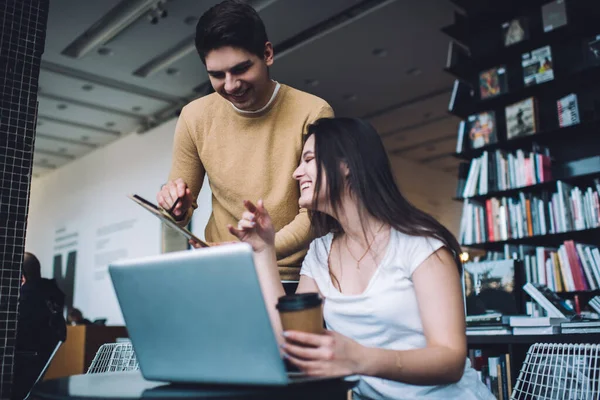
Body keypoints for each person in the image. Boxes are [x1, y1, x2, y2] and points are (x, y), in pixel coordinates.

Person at [227, 118, 495, 399]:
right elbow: (289, 338)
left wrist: (361, 358)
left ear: (347, 164)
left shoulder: (420, 243)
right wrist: (263, 251)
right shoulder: (320, 253)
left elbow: (450, 361)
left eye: (308, 159)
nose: (297, 173)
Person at [156, 0, 333, 281]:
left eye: (240, 69)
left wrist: (253, 248)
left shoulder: (313, 112)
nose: (230, 85)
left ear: (267, 53)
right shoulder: (194, 117)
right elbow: (177, 215)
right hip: (223, 271)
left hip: (293, 277)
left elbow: (318, 213)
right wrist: (175, 206)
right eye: (216, 75)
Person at [13, 252, 67, 400]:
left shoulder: (21, 300)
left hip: (17, 373)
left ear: (21, 277)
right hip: (41, 372)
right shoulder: (50, 295)